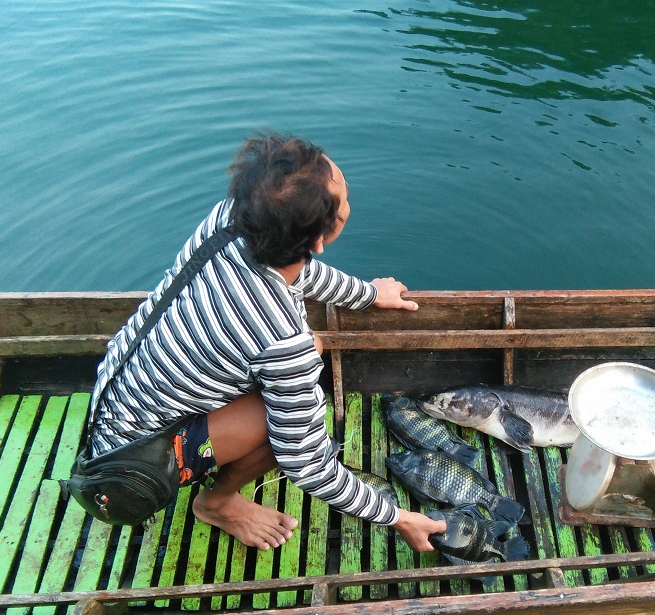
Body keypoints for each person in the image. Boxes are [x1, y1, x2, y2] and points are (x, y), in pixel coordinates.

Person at [89, 132, 445, 552]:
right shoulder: (282, 341)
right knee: (292, 419)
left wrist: (367, 295)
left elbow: (295, 271)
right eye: (345, 200)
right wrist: (398, 517)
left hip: (113, 398)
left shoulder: (230, 220)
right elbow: (308, 463)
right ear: (317, 241)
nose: (349, 197)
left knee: (299, 358)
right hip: (135, 463)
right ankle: (217, 503)